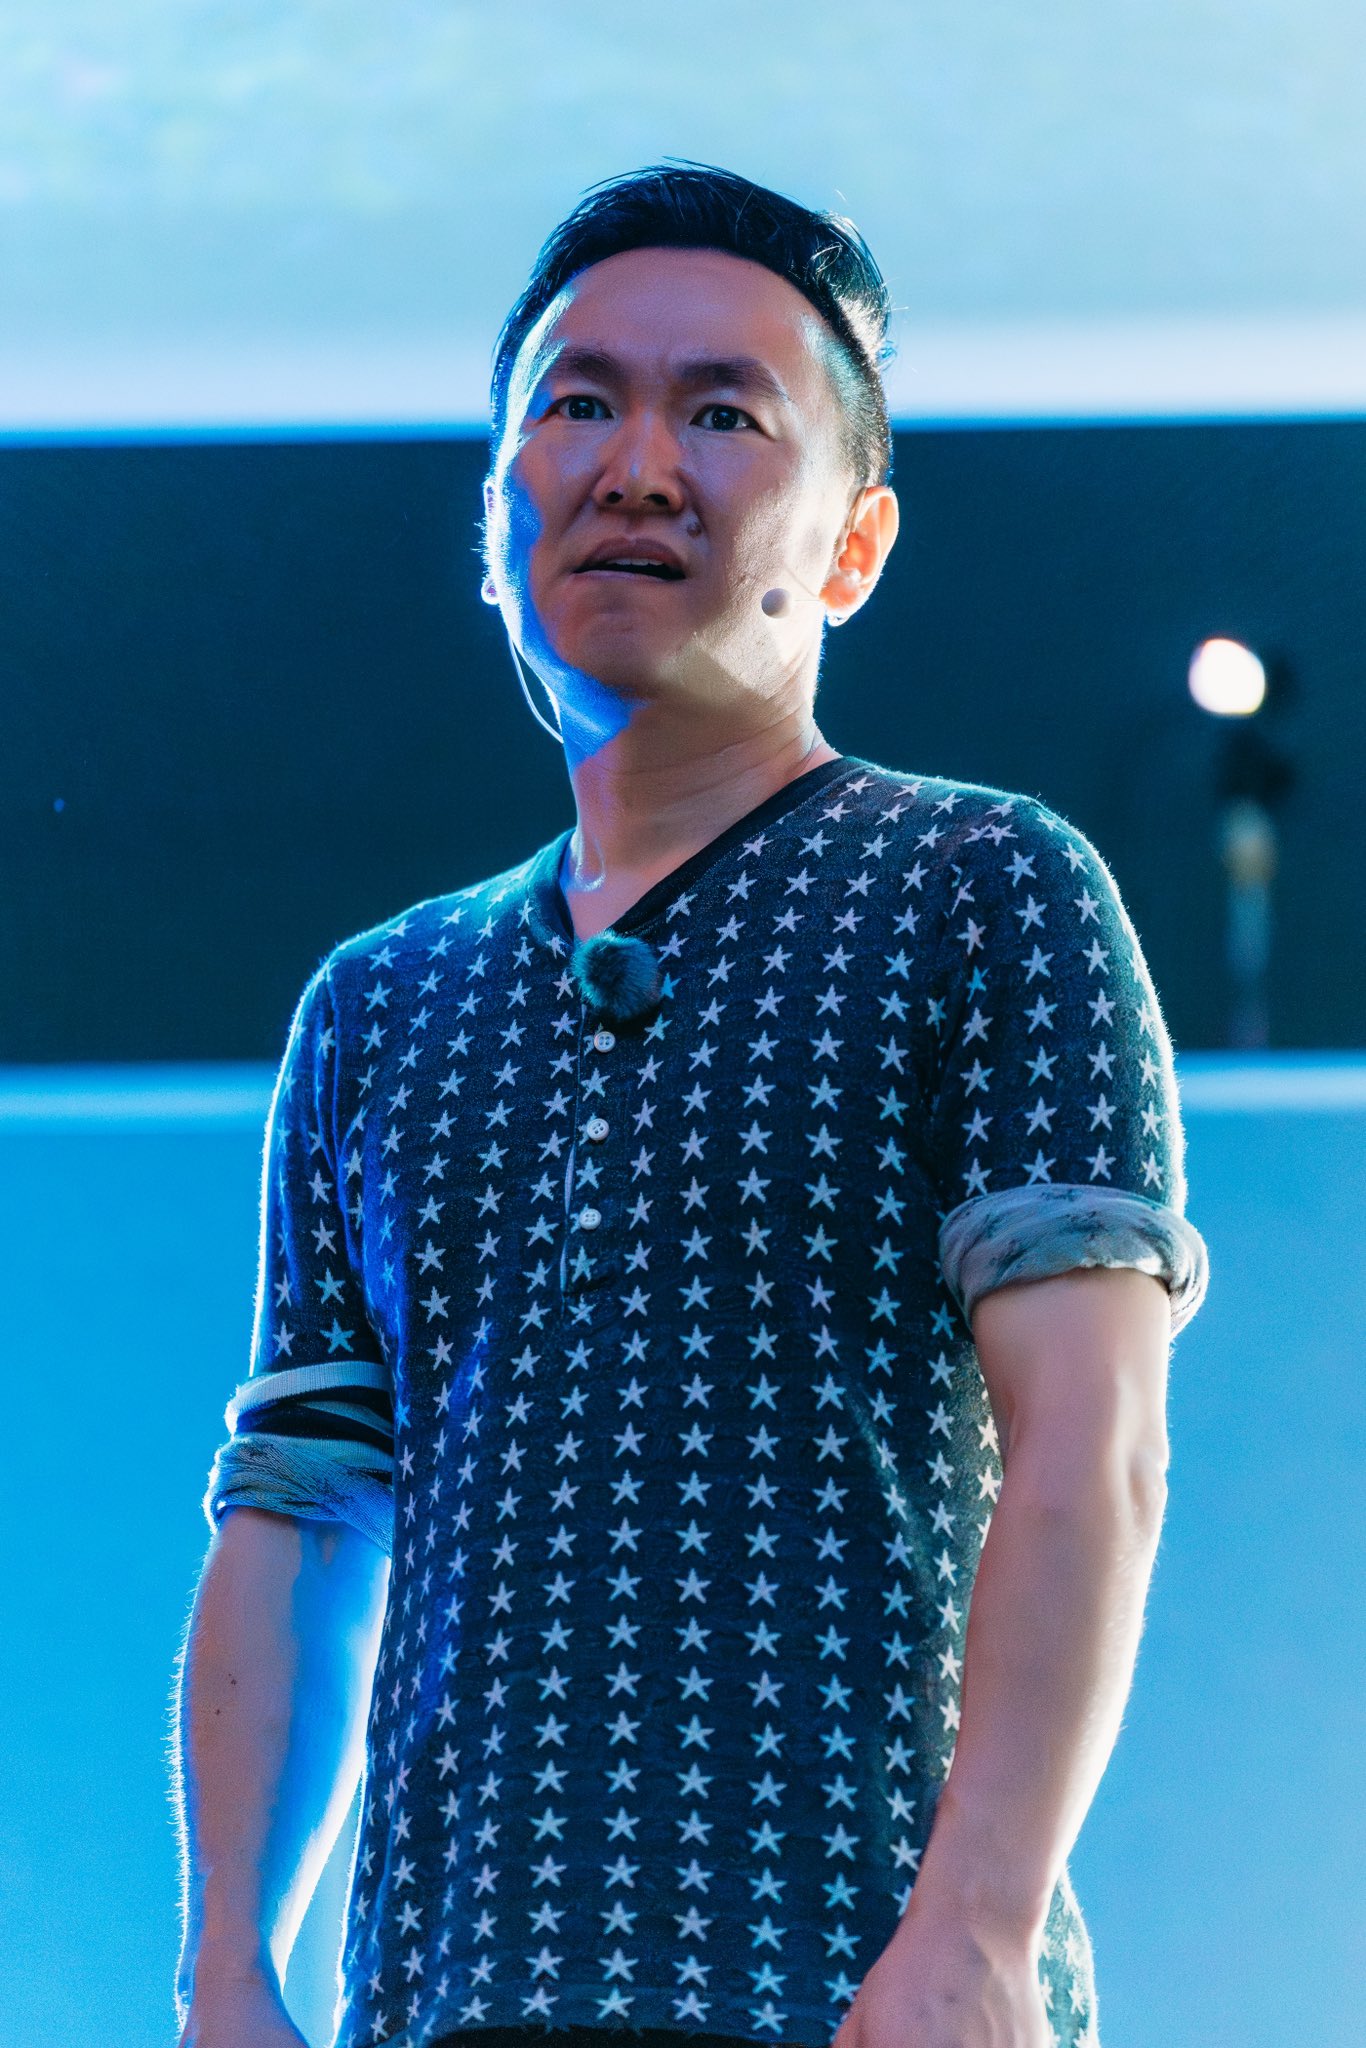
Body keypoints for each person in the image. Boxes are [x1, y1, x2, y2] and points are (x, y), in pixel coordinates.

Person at [171, 161, 1210, 2048]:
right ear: (493, 511)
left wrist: (976, 1930)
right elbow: (302, 1515)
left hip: (847, 1991)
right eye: (580, 403)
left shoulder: (982, 886)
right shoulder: (375, 1003)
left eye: (723, 415)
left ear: (853, 545)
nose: (638, 467)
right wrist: (227, 1968)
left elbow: (1095, 1441)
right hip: (452, 1999)